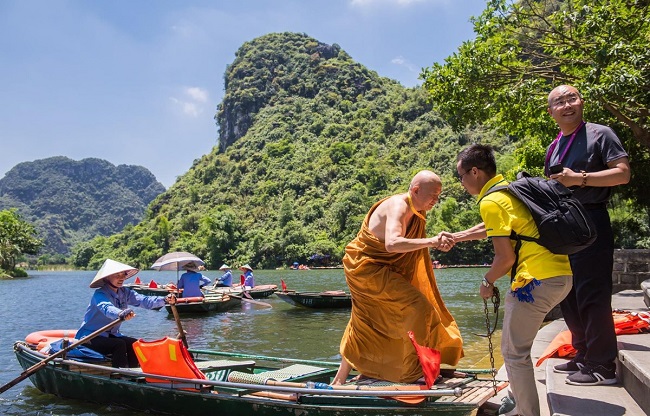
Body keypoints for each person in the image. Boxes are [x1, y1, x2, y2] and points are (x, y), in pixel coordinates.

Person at [456, 144, 573, 416]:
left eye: (461, 176)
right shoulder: (509, 191)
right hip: (560, 274)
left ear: (474, 172)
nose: (461, 183)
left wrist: (487, 282)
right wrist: (459, 236)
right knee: (518, 349)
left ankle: (527, 413)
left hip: (535, 281)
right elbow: (492, 230)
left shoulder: (491, 201)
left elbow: (505, 258)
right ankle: (518, 403)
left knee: (514, 354)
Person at [331, 170, 462, 386]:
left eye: (439, 196)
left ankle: (342, 378)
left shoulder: (418, 211)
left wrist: (442, 241)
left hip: (384, 268)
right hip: (366, 267)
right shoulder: (399, 206)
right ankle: (415, 372)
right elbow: (392, 243)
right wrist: (432, 241)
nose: (435, 201)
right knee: (421, 308)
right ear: (416, 190)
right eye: (433, 195)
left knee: (365, 318)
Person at [545, 85, 631, 386]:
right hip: (566, 226)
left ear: (581, 102)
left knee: (593, 295)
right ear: (551, 111)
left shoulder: (600, 134)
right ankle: (582, 353)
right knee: (569, 295)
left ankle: (603, 365)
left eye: (572, 98)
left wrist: (580, 179)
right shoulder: (553, 147)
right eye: (559, 102)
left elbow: (622, 173)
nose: (567, 105)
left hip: (592, 220)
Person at [78, 258, 176, 368]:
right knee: (119, 345)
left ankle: (133, 373)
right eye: (117, 275)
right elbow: (107, 308)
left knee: (134, 344)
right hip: (91, 337)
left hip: (111, 335)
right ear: (107, 277)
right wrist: (121, 313)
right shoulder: (100, 294)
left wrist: (164, 300)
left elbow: (144, 300)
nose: (121, 278)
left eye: (123, 275)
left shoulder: (125, 292)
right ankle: (119, 375)